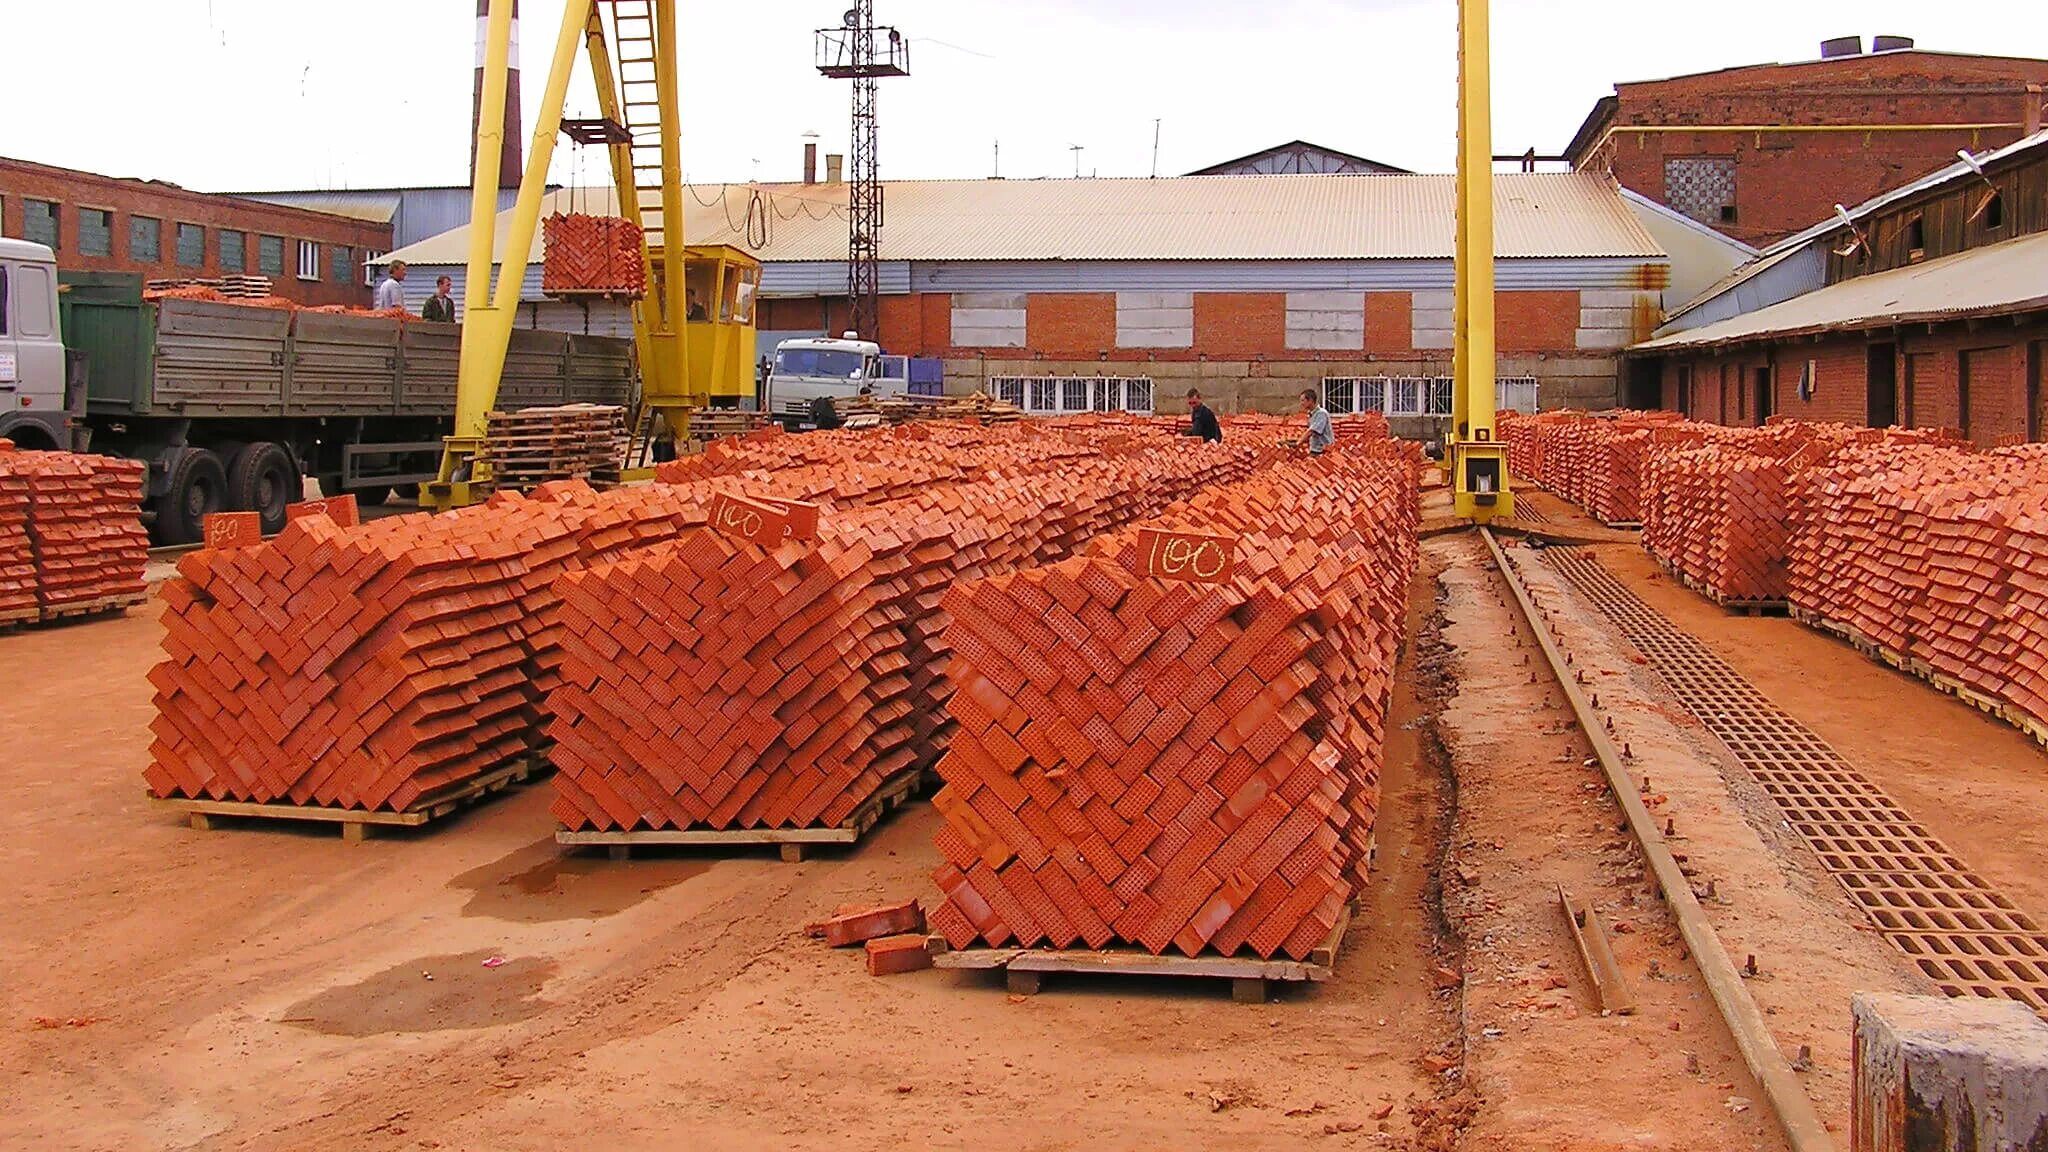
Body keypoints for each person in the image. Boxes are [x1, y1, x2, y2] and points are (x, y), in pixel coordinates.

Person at [1299, 388, 1334, 455]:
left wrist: (1298, 443)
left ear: (1311, 400)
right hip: (1315, 448)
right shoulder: (1311, 414)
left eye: (1303, 400)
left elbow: (1312, 431)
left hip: (1323, 451)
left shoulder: (1321, 413)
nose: (1301, 403)